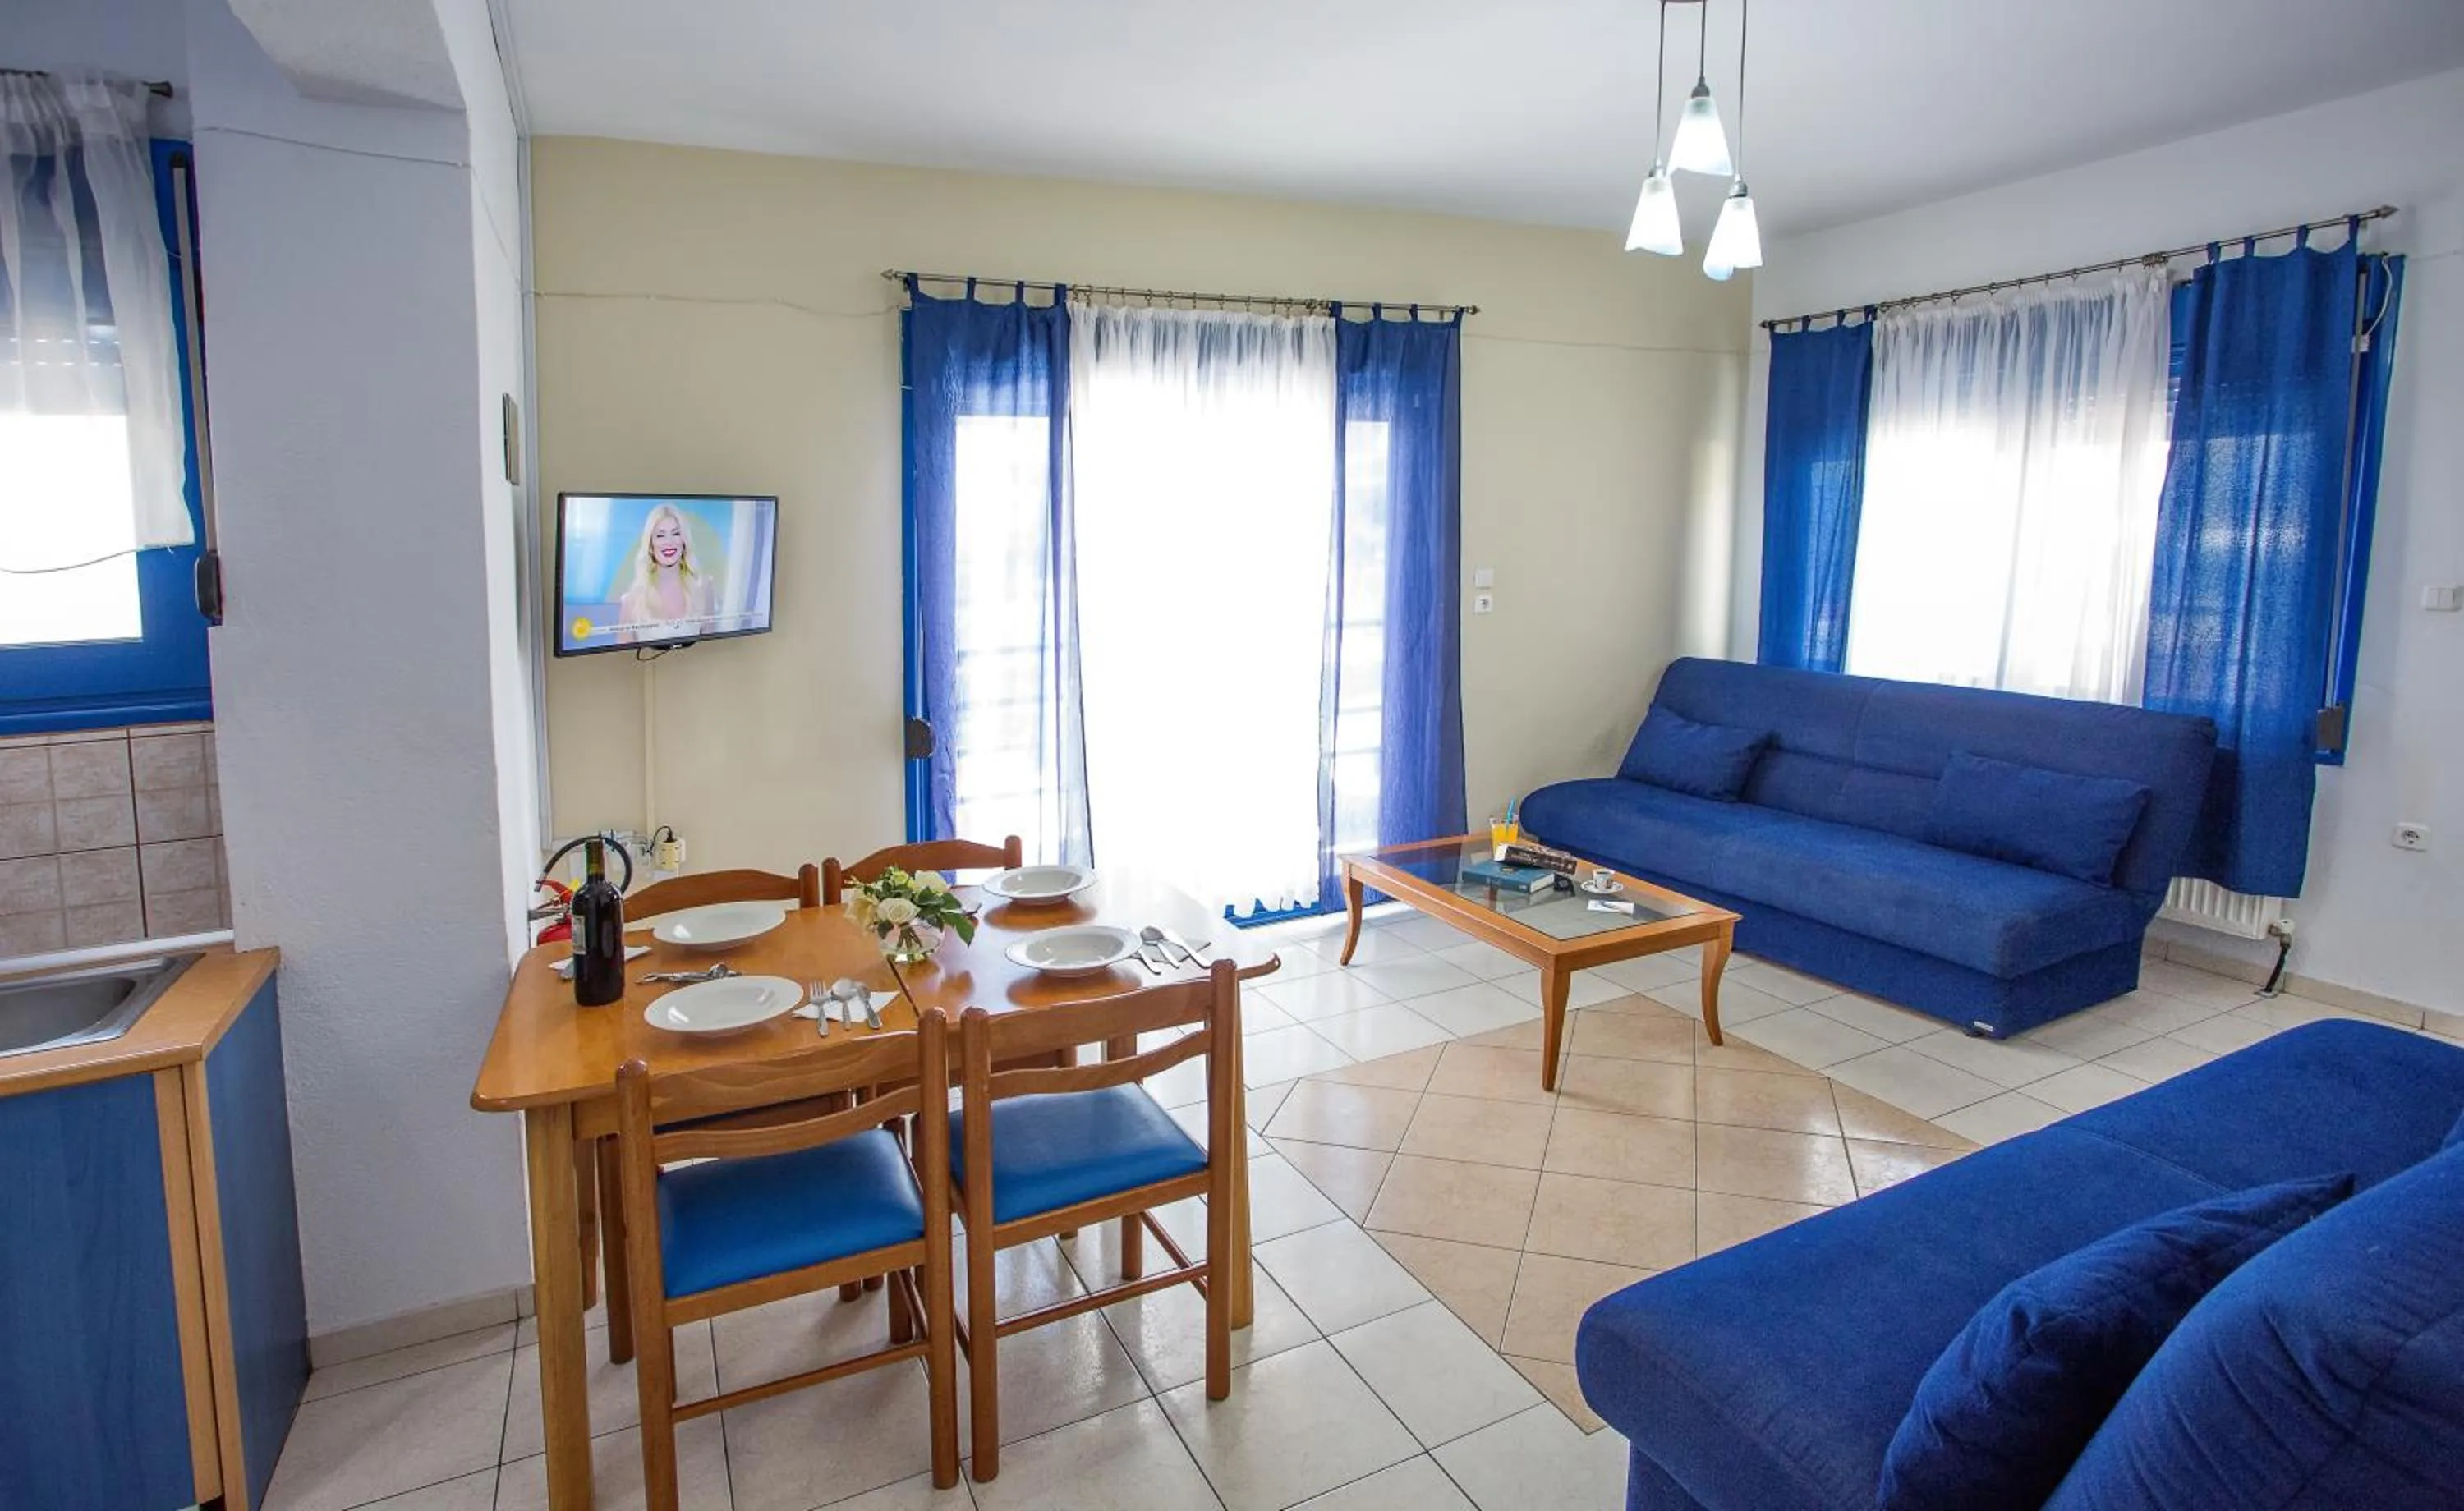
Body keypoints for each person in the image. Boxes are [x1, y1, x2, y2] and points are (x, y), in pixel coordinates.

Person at [613, 503, 719, 644]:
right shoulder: (632, 600)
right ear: (650, 545)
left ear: (684, 541)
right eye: (660, 535)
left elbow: (711, 648)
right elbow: (622, 658)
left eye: (676, 533)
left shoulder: (704, 588)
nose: (669, 542)